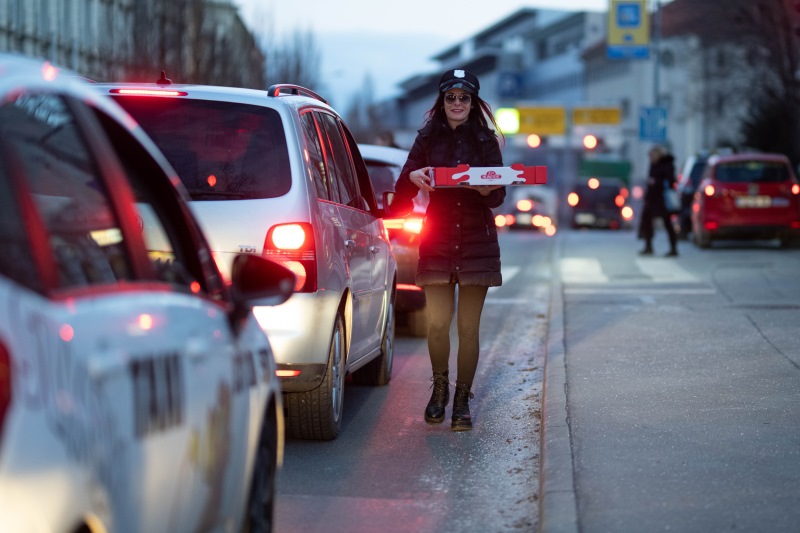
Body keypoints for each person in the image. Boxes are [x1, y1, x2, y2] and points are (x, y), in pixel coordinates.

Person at [390, 68, 506, 431]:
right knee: (438, 325)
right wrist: (411, 179)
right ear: (442, 101)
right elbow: (402, 197)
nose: (457, 103)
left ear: (474, 103)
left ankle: (462, 399)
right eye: (451, 97)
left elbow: (499, 194)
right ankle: (439, 390)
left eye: (464, 97)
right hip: (437, 239)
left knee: (468, 329)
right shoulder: (426, 138)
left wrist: (487, 190)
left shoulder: (486, 141)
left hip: (477, 242)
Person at [638, 145, 678, 256]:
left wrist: (656, 182)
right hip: (652, 198)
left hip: (663, 199)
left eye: (652, 156)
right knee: (647, 222)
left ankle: (673, 248)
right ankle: (648, 246)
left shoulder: (667, 164)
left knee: (667, 223)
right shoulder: (653, 164)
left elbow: (671, 181)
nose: (650, 158)